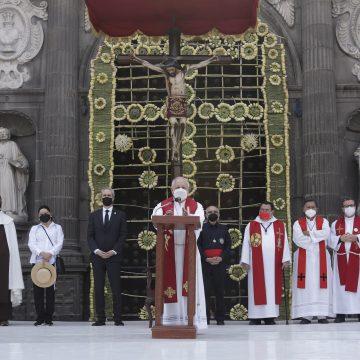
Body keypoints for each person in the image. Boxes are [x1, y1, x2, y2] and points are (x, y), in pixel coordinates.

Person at [130, 54, 218, 161]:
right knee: (174, 124)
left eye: (171, 69)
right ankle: (175, 149)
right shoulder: (166, 74)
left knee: (182, 124)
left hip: (181, 100)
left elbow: (199, 65)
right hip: (172, 100)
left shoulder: (184, 71)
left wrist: (211, 59)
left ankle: (177, 147)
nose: (170, 71)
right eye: (168, 69)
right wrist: (137, 59)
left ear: (175, 67)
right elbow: (150, 65)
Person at [152, 176, 207, 329]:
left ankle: (191, 320)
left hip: (189, 252)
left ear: (189, 190)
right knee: (170, 282)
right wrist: (165, 218)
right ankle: (171, 319)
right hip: (169, 252)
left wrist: (189, 218)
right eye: (177, 187)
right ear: (171, 190)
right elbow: (155, 221)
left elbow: (200, 223)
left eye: (184, 187)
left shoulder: (196, 206)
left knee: (190, 283)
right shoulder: (163, 205)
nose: (180, 190)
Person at [240, 201, 291, 325]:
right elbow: (246, 244)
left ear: (272, 211)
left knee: (272, 289)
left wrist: (285, 259)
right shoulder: (252, 225)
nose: (264, 212)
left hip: (274, 263)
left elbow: (284, 242)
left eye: (267, 210)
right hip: (256, 264)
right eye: (262, 209)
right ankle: (255, 317)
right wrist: (245, 260)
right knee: (256, 288)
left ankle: (270, 316)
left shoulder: (279, 225)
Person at [87, 187, 127, 326]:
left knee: (115, 288)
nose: (106, 197)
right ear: (100, 197)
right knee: (98, 288)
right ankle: (100, 318)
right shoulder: (94, 215)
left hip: (114, 257)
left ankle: (117, 318)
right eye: (104, 195)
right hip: (98, 257)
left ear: (113, 197)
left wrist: (113, 251)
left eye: (109, 195)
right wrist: (97, 250)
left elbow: (123, 236)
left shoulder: (120, 215)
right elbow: (90, 236)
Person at [291, 199, 332, 324]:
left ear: (317, 209)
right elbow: (297, 238)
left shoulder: (324, 221)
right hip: (304, 256)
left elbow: (326, 234)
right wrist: (315, 239)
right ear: (303, 209)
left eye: (312, 207)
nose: (310, 209)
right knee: (306, 284)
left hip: (321, 257)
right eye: (307, 207)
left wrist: (309, 234)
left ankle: (322, 315)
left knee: (322, 284)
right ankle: (305, 315)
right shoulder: (297, 223)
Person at [28, 205, 64, 326]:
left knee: (50, 291)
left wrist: (50, 254)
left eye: (46, 212)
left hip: (51, 262)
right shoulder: (35, 229)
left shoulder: (57, 228)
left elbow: (59, 243)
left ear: (50, 213)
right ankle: (40, 317)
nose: (44, 215)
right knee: (38, 291)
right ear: (38, 216)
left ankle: (48, 317)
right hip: (37, 262)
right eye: (41, 213)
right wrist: (41, 253)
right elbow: (31, 244)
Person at [197, 206, 231, 325]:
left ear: (219, 214)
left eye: (215, 212)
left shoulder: (223, 228)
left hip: (220, 264)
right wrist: (206, 258)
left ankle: (220, 318)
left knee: (219, 292)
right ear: (205, 214)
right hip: (205, 264)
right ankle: (205, 318)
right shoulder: (200, 228)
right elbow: (198, 246)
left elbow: (228, 246)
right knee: (205, 292)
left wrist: (221, 257)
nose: (213, 213)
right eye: (210, 212)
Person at [329, 197, 360, 322]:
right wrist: (340, 238)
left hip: (357, 259)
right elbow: (330, 239)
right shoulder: (336, 224)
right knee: (340, 286)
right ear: (342, 209)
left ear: (355, 207)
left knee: (358, 286)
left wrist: (356, 237)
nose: (349, 208)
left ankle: (358, 312)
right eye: (346, 206)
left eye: (351, 205)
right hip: (340, 259)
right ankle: (340, 313)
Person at [0, 195, 24, 326]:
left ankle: (3, 317)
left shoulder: (8, 221)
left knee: (3, 287)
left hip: (4, 259)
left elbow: (12, 244)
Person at [0, 127, 29, 220]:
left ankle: (9, 209)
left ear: (8, 134)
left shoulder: (12, 145)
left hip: (8, 170)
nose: (2, 134)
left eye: (4, 132)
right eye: (0, 133)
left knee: (7, 188)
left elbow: (21, 159)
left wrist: (21, 164)